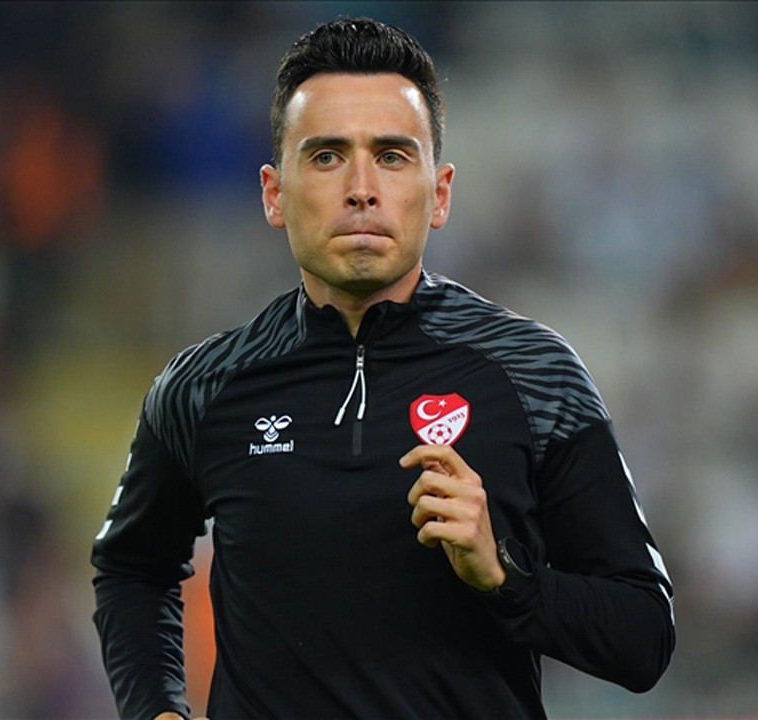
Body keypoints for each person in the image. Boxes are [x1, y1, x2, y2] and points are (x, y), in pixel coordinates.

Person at [91, 17, 674, 720]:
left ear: (441, 191)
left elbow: (643, 635)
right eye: (327, 156)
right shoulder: (203, 388)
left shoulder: (534, 374)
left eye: (392, 156)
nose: (362, 188)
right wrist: (156, 710)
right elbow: (131, 567)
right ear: (274, 193)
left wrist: (504, 575)